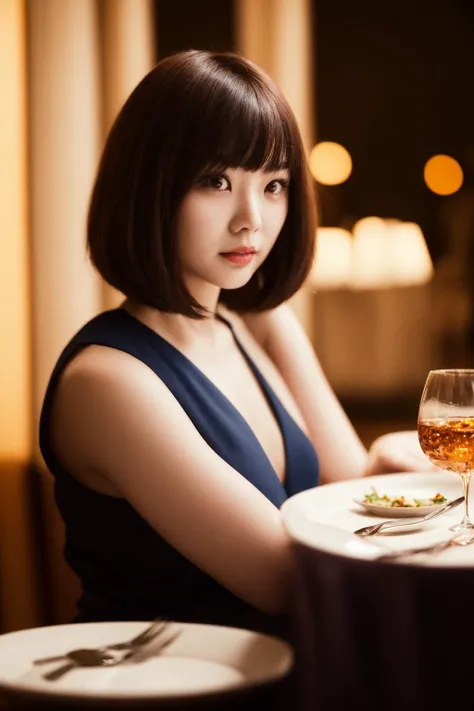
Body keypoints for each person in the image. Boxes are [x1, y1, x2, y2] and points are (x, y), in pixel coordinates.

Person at [39, 49, 433, 640]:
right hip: (169, 690)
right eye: (215, 180)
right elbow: (281, 577)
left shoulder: (259, 323)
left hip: (294, 673)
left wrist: (403, 456)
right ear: (150, 186)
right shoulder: (107, 380)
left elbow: (351, 483)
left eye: (273, 184)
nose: (252, 218)